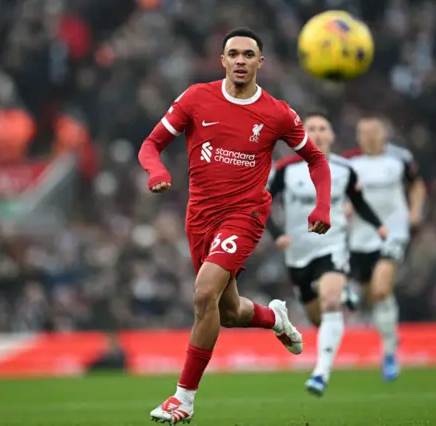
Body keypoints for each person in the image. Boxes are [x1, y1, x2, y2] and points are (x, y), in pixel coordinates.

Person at [138, 28, 332, 424]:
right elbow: (150, 144)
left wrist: (322, 207)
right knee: (226, 312)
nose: (241, 60)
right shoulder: (196, 98)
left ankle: (184, 400)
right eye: (234, 54)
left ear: (261, 62)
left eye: (249, 54)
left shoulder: (277, 112)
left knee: (203, 293)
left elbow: (317, 160)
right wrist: (155, 170)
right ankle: (273, 317)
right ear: (222, 60)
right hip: (200, 217)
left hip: (245, 214)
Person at [266, 112, 387, 396]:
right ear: (302, 135)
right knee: (317, 317)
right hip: (298, 254)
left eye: (323, 128)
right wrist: (276, 234)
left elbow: (359, 202)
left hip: (332, 247)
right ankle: (344, 295)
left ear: (332, 136)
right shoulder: (286, 169)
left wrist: (379, 226)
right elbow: (264, 202)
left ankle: (321, 373)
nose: (318, 134)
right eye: (312, 129)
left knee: (330, 302)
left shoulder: (345, 169)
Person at [343, 116, 426, 382]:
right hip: (359, 238)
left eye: (374, 132)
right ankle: (390, 333)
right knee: (371, 297)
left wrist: (414, 212)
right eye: (364, 133)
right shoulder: (349, 163)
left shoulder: (400, 158)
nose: (369, 137)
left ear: (384, 133)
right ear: (358, 136)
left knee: (381, 288)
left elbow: (417, 185)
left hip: (393, 232)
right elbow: (340, 193)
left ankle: (390, 353)